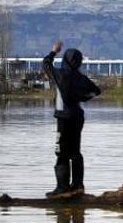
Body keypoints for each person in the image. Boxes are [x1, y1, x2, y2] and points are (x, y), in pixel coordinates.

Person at [42, 41, 101, 198]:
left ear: (65, 60)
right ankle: (78, 186)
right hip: (78, 117)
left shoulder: (60, 74)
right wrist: (80, 97)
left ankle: (62, 188)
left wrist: (53, 51)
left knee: (61, 152)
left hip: (63, 118)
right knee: (75, 152)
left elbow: (46, 63)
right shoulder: (80, 78)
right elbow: (96, 91)